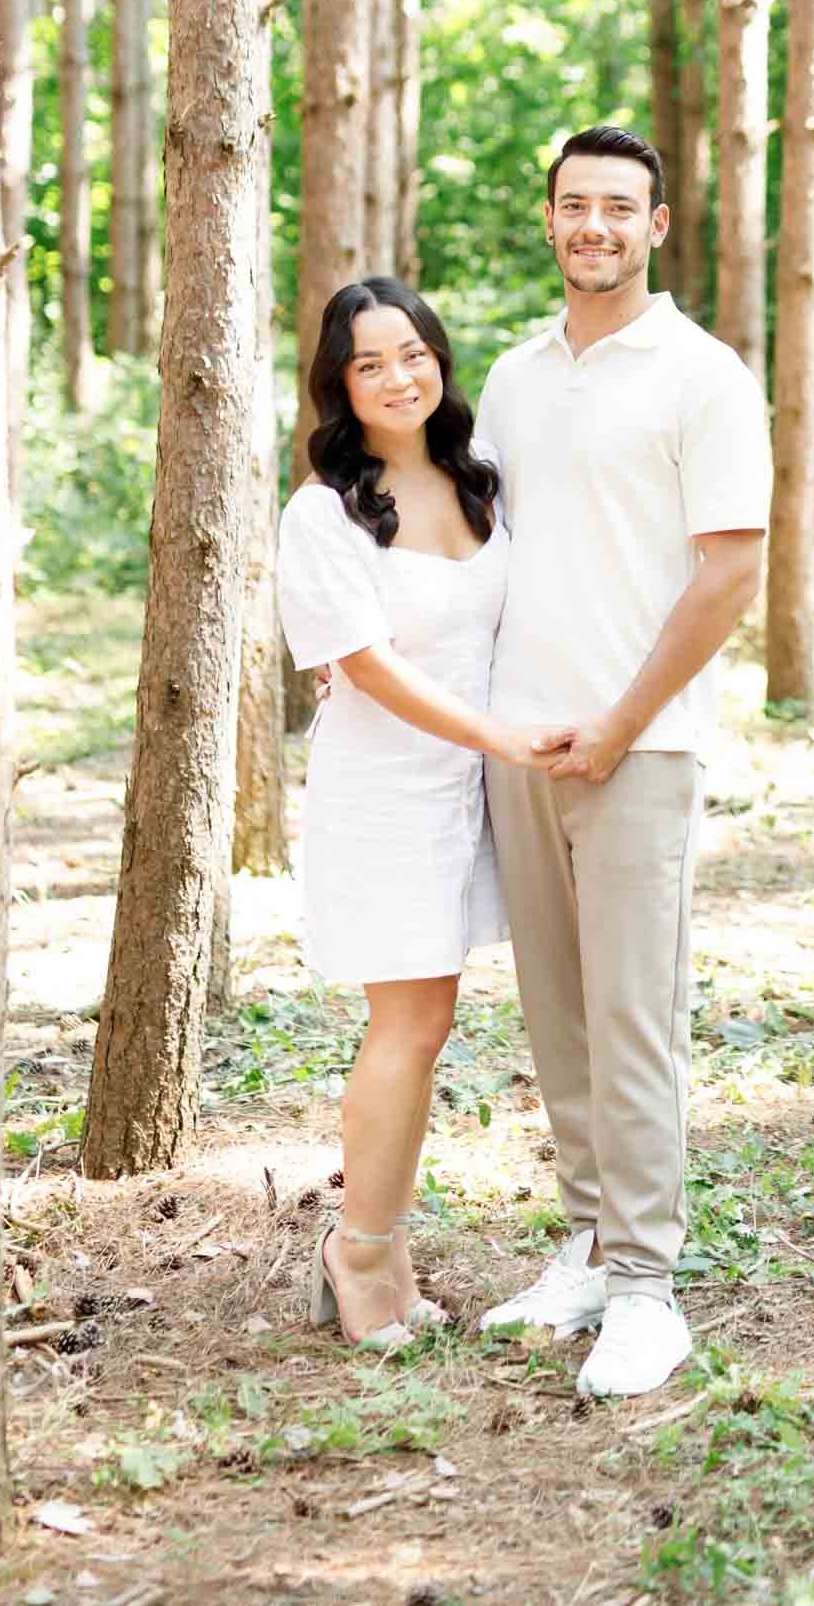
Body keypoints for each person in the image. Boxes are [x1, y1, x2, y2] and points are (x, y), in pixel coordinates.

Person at [473, 126, 772, 1398]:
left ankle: (649, 1291)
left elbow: (731, 571)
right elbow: (478, 546)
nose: (593, 224)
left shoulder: (703, 376)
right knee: (557, 1010)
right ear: (549, 221)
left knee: (633, 1016)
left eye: (619, 206)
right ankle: (591, 1243)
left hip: (640, 746)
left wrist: (621, 718)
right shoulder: (511, 375)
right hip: (518, 737)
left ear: (656, 226)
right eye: (573, 204)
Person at [276, 277, 572, 1352]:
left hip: (474, 795)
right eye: (369, 363)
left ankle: (381, 1242)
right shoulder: (322, 514)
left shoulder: (479, 480)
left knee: (431, 1027)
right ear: (339, 386)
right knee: (407, 1026)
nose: (397, 376)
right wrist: (498, 737)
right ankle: (358, 1253)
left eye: (412, 353)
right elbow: (364, 664)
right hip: (387, 792)